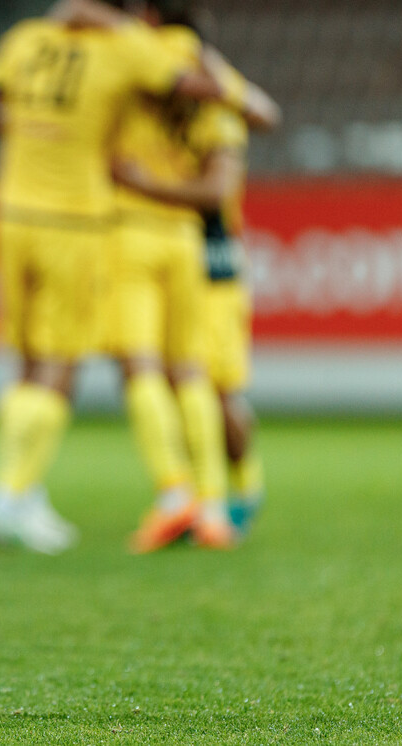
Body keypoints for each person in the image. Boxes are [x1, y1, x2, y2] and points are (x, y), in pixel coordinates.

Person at [0, 0, 264, 554]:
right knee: (85, 362)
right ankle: (14, 495)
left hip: (18, 213)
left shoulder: (27, 38)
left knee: (31, 362)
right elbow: (212, 92)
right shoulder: (129, 50)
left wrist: (42, 126)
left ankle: (21, 490)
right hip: (90, 222)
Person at [112, 49, 271, 540]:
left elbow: (220, 183)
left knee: (217, 387)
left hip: (213, 263)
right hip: (166, 256)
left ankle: (243, 488)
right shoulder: (139, 103)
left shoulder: (217, 113)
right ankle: (198, 498)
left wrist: (143, 185)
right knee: (165, 378)